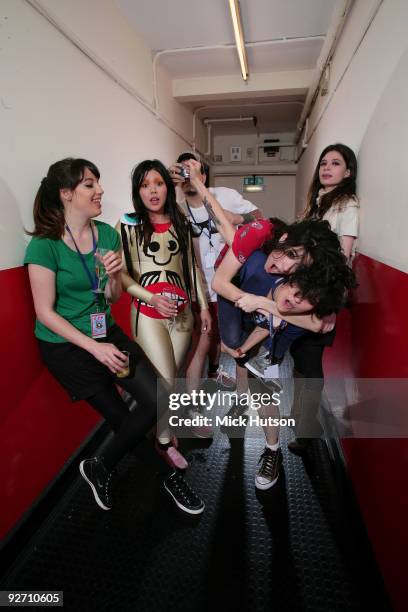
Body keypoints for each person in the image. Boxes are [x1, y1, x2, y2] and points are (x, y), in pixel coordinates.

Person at [25, 158, 204, 515]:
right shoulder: (44, 245)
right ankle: (169, 480)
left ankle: (99, 464)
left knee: (158, 399)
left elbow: (112, 297)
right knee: (123, 420)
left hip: (105, 330)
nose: (100, 190)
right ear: (66, 194)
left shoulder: (106, 233)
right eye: (90, 184)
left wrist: (110, 278)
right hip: (67, 347)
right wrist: (95, 348)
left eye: (98, 183)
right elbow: (45, 312)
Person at [212, 223, 355, 489]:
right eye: (288, 255)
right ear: (283, 240)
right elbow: (223, 268)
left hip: (272, 326)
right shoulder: (252, 254)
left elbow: (314, 323)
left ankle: (272, 450)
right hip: (241, 307)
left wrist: (267, 306)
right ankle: (241, 399)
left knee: (263, 384)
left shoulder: (294, 290)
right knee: (240, 353)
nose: (288, 267)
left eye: (298, 266)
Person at [117, 159, 211, 466]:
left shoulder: (181, 222)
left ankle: (162, 429)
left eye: (158, 183)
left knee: (175, 378)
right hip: (147, 313)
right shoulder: (127, 224)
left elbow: (193, 269)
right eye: (145, 185)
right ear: (137, 191)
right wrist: (152, 299)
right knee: (165, 384)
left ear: (167, 187)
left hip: (182, 315)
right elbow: (124, 277)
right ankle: (162, 441)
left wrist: (204, 306)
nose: (152, 191)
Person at [168, 152, 262, 399]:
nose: (187, 176)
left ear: (203, 174)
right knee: (203, 339)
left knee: (226, 340)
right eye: (182, 170)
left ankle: (219, 377)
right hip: (197, 290)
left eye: (192, 169)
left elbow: (260, 217)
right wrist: (166, 182)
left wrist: (237, 218)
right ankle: (197, 397)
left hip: (227, 285)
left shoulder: (225, 196)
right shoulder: (175, 209)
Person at [287, 143, 359, 454]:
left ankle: (307, 433)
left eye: (336, 163)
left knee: (310, 360)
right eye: (323, 163)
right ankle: (303, 420)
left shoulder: (348, 206)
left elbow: (343, 259)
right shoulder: (317, 203)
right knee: (302, 357)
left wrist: (331, 307)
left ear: (349, 171)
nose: (327, 168)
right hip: (305, 287)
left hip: (323, 292)